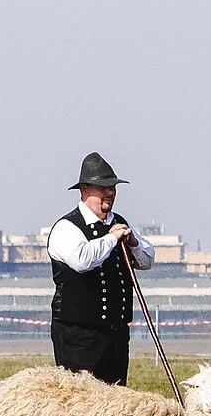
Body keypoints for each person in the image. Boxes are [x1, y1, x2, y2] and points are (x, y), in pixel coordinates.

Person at [48, 152, 154, 385]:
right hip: (78, 336)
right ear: (84, 190)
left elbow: (147, 260)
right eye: (102, 187)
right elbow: (82, 260)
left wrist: (133, 243)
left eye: (112, 187)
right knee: (79, 403)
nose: (109, 192)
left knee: (115, 403)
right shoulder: (66, 228)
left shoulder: (119, 223)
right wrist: (112, 238)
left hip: (115, 335)